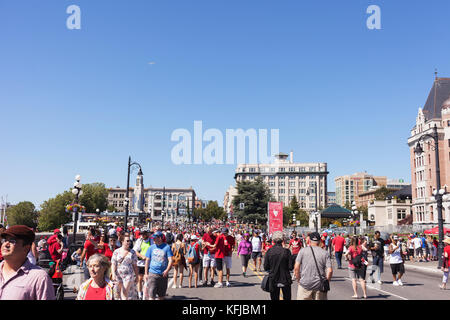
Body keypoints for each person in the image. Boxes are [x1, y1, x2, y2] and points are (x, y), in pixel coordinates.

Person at [0, 225, 55, 300]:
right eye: (5, 240)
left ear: (26, 248)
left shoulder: (39, 278)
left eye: (12, 241)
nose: (6, 245)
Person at [294, 232, 332, 300]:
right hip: (319, 285)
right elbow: (330, 271)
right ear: (320, 241)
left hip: (305, 284)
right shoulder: (325, 253)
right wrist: (327, 281)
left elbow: (296, 268)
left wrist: (299, 280)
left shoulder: (302, 251)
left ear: (309, 240)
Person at [144, 231, 173, 300]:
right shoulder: (151, 248)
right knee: (151, 296)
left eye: (155, 238)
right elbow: (147, 260)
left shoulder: (167, 247)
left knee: (161, 296)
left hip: (163, 275)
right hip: (152, 274)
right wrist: (146, 273)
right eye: (153, 238)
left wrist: (167, 270)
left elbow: (171, 260)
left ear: (160, 238)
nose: (153, 239)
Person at [263, 231, 292, 300]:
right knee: (287, 297)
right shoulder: (287, 252)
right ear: (282, 240)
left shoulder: (269, 251)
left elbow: (266, 267)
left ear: (273, 240)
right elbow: (290, 267)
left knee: (274, 297)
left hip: (273, 278)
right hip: (285, 278)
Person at [111, 235, 138, 300]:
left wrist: (136, 276)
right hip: (118, 275)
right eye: (127, 241)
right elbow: (113, 264)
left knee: (124, 292)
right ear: (122, 241)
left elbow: (135, 265)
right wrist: (113, 274)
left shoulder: (132, 252)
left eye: (130, 241)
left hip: (128, 275)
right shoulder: (116, 251)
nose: (129, 242)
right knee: (118, 294)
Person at [133, 229, 152, 300]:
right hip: (140, 263)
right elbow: (135, 251)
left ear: (147, 234)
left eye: (144, 234)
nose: (142, 235)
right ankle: (139, 294)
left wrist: (149, 257)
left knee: (146, 279)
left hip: (148, 263)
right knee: (139, 279)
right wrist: (141, 256)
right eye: (142, 234)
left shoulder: (151, 241)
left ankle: (145, 294)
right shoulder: (139, 241)